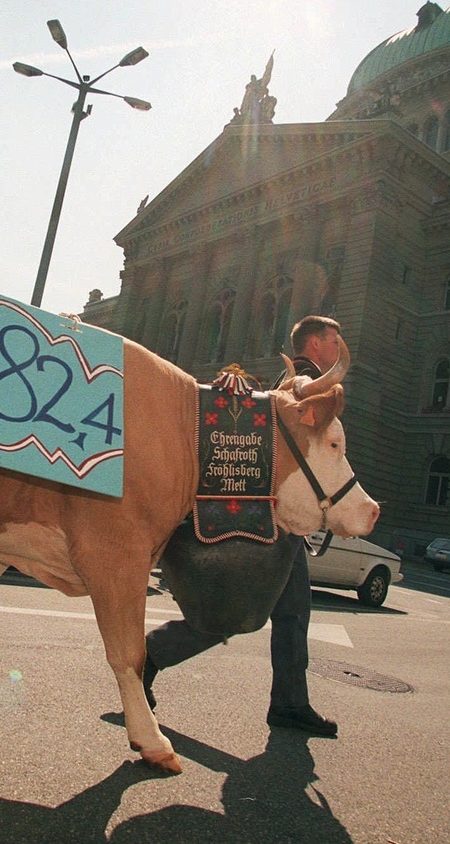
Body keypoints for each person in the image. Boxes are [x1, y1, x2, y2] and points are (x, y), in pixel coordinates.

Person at [144, 315, 343, 739]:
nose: (339, 345)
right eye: (334, 338)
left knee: (287, 612)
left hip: (275, 519)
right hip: (277, 522)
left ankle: (290, 702)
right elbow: (308, 458)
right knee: (242, 610)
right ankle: (149, 655)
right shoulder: (307, 383)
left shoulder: (289, 380)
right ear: (314, 342)